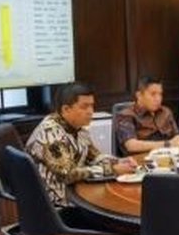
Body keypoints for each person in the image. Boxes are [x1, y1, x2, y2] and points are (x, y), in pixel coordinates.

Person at [26, 82, 136, 212]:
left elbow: (94, 156)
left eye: (92, 106)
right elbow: (68, 174)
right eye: (84, 107)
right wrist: (112, 170)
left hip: (74, 195)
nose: (91, 112)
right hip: (56, 207)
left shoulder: (79, 128)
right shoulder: (50, 134)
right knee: (117, 208)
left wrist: (118, 161)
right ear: (66, 109)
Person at [116, 75, 179, 156]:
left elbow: (176, 137)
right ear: (139, 95)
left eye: (160, 94)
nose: (158, 99)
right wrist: (167, 144)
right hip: (141, 160)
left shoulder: (166, 112)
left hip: (169, 158)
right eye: (153, 94)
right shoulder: (126, 115)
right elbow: (131, 145)